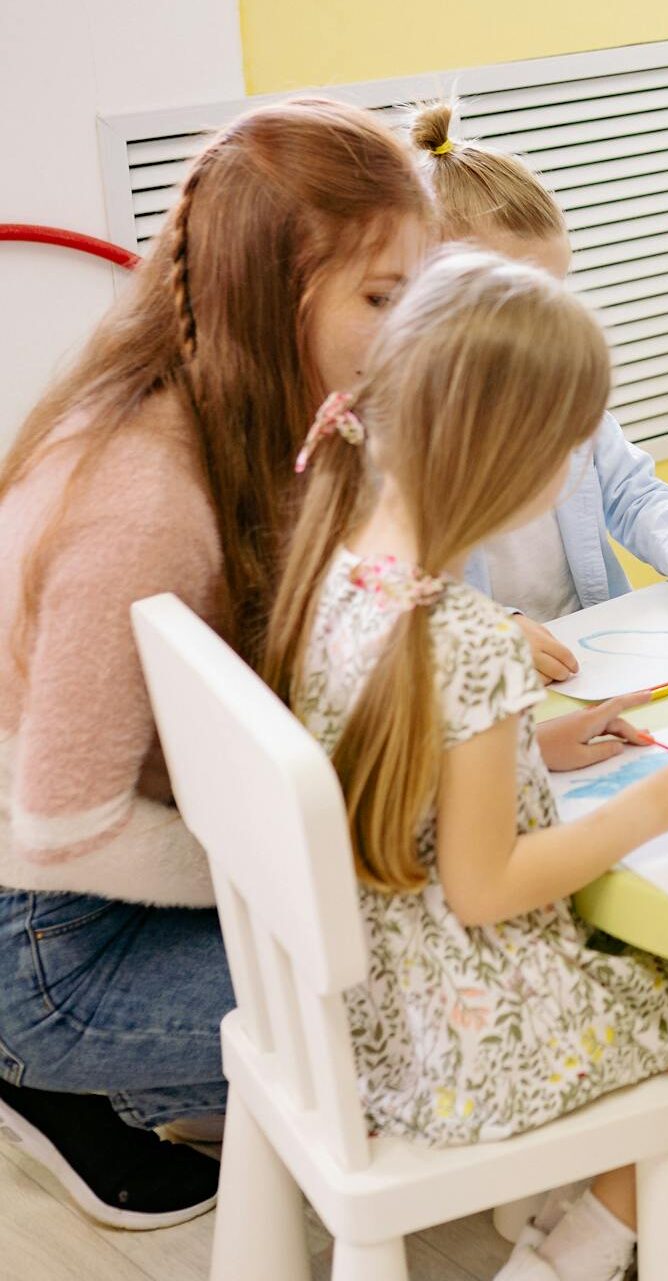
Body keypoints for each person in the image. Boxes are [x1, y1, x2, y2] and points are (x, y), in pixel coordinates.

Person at [262, 248, 668, 1281]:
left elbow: (414, 763)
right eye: (572, 446)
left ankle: (570, 1222)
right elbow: (485, 889)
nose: (577, 467)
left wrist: (540, 741)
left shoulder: (343, 569)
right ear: (518, 457)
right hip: (470, 1040)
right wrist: (657, 806)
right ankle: (573, 1254)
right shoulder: (472, 635)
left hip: (365, 1011)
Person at [0, 97, 429, 1228]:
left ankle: (145, 1081)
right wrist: (314, 878)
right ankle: (66, 1081)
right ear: (269, 294)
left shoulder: (275, 418)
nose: (416, 327)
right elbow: (63, 828)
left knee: (415, 943)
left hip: (124, 879)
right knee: (418, 1005)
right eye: (386, 299)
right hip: (49, 939)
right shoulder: (140, 497)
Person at [408, 101, 668, 683]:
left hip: (588, 651)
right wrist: (491, 628)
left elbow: (631, 493)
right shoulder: (401, 440)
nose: (544, 320)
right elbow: (405, 592)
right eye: (517, 299)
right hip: (480, 678)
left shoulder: (564, 398)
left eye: (555, 291)